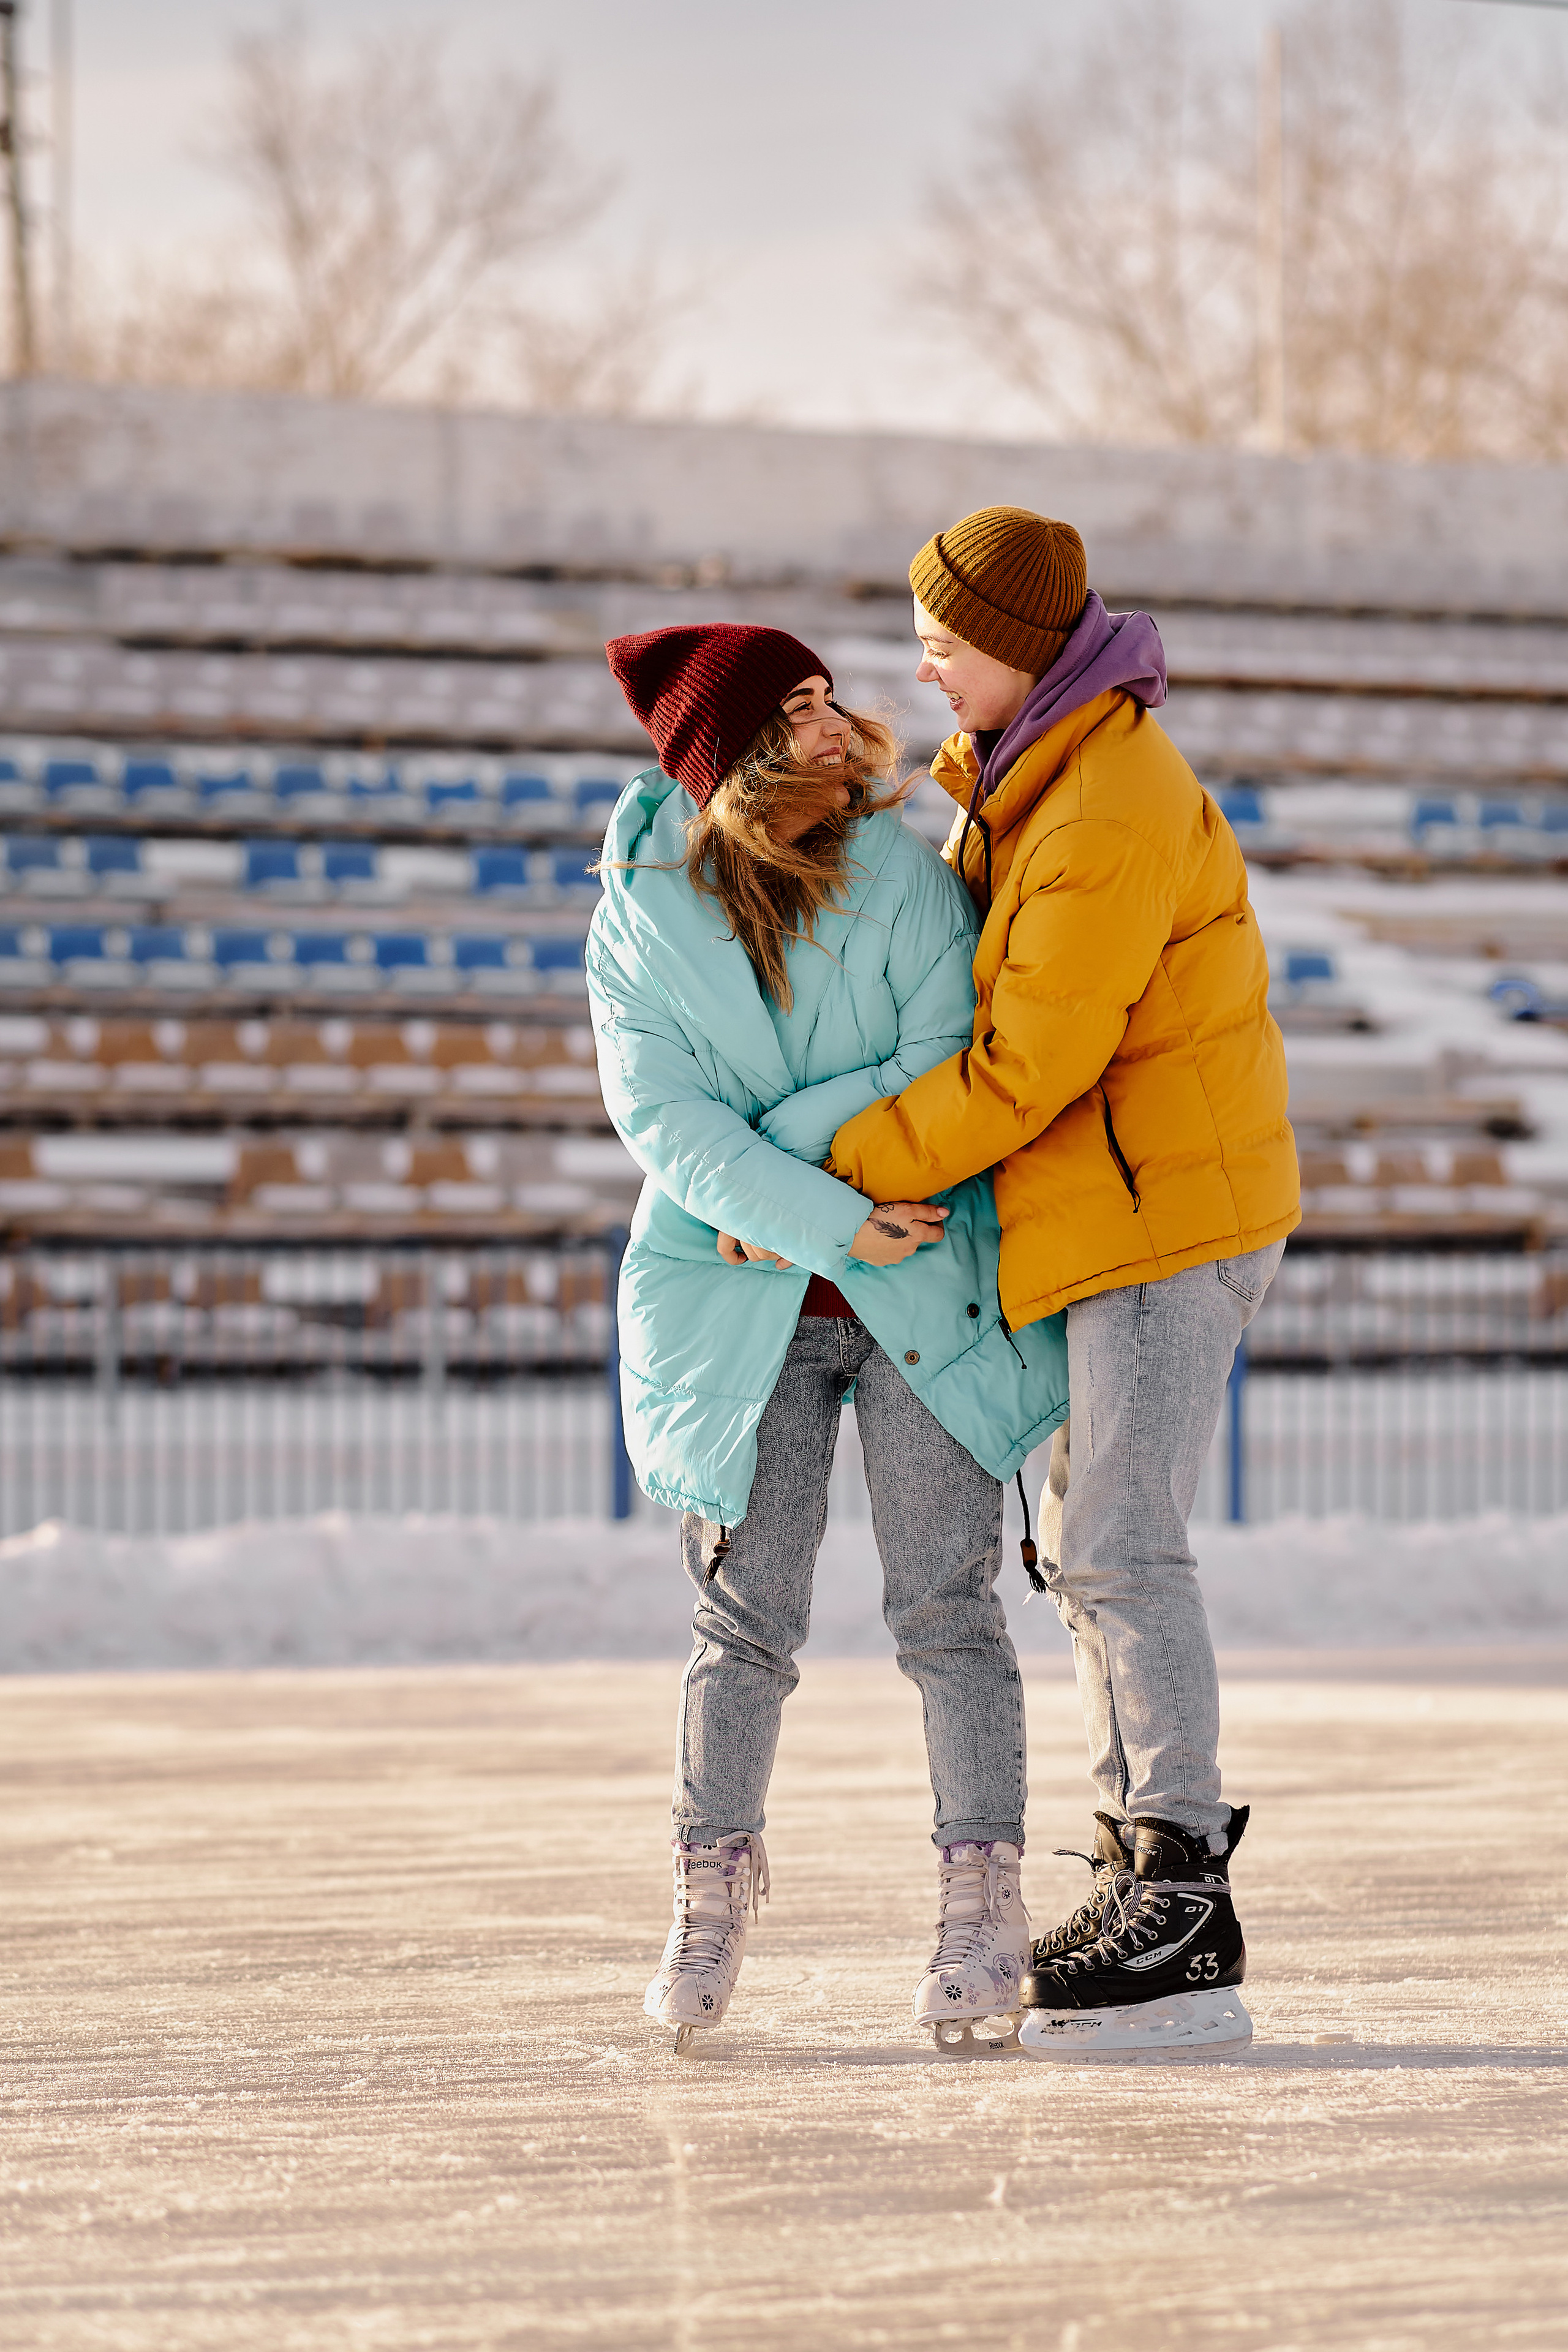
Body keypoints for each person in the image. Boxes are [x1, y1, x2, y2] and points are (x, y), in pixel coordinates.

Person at [825, 508, 1300, 2057]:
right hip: (1109, 1215)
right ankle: (1133, 1864)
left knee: (1116, 1540)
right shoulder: (1027, 776)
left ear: (1017, 650)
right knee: (1083, 1548)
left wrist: (836, 1167)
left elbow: (1023, 1066)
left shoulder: (1096, 807)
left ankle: (1179, 1890)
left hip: (1165, 1216)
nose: (922, 668)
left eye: (941, 643)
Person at [587, 622, 1066, 2054]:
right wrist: (818, 1217)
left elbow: (937, 1058)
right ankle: (708, 1890)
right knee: (743, 1622)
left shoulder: (900, 874)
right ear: (726, 754)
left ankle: (981, 1901)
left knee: (947, 1609)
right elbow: (663, 1124)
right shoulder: (636, 917)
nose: (829, 720)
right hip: (744, 1308)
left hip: (916, 1284)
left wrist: (783, 1193)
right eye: (791, 707)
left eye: (822, 695)